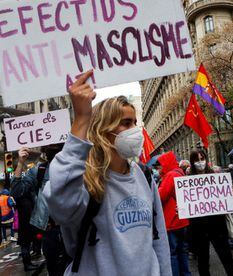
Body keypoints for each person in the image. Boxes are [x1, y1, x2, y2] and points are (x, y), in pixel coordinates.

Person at [43, 70, 171, 275]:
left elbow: (159, 241)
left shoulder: (145, 177)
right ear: (104, 129)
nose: (135, 130)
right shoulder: (84, 179)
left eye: (134, 123)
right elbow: (61, 203)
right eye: (126, 123)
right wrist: (81, 120)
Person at [12, 144, 70, 275]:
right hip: (49, 230)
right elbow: (16, 192)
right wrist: (20, 163)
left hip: (71, 227)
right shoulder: (39, 170)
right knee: (53, 268)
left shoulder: (74, 167)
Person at [188, 149, 233, 276]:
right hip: (199, 227)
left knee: (227, 259)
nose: (200, 162)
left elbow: (225, 196)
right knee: (203, 262)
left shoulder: (216, 177)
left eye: (202, 159)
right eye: (197, 160)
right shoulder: (187, 181)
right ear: (192, 162)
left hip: (217, 225)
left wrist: (231, 194)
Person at [156, 152, 191, 276]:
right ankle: (186, 273)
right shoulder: (179, 173)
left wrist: (156, 188)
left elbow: (160, 196)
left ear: (166, 164)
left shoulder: (170, 175)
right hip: (182, 220)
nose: (159, 169)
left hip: (172, 221)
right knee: (182, 251)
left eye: (160, 166)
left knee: (173, 253)